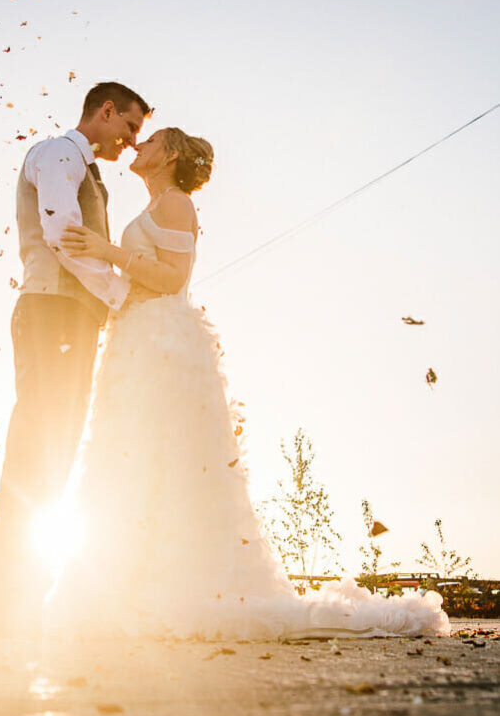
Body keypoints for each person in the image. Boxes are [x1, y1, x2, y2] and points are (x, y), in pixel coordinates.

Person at [46, 127, 449, 640]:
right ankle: (124, 583)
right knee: (132, 458)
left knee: (171, 459)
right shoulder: (156, 206)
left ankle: (175, 585)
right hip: (136, 340)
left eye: (148, 143)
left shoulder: (177, 203)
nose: (137, 148)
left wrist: (107, 251)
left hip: (164, 343)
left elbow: (172, 278)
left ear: (169, 155)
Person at [0, 81, 152, 633]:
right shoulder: (58, 153)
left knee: (56, 451)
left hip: (69, 316)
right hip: (51, 311)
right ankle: (11, 603)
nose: (131, 142)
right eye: (129, 127)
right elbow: (62, 234)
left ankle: (28, 599)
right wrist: (120, 295)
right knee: (38, 449)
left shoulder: (87, 170)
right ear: (106, 112)